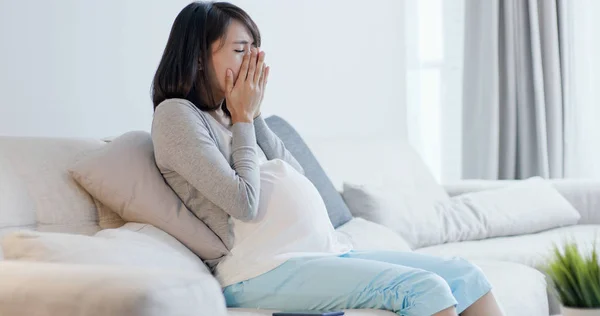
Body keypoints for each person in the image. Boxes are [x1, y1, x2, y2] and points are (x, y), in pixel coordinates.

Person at [150, 2, 504, 315]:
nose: (255, 61)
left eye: (257, 50)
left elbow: (298, 176)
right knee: (424, 288)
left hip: (318, 253)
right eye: (242, 50)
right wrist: (243, 119)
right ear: (198, 57)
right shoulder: (176, 115)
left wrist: (252, 115)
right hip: (256, 269)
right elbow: (243, 203)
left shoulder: (230, 115)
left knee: (465, 275)